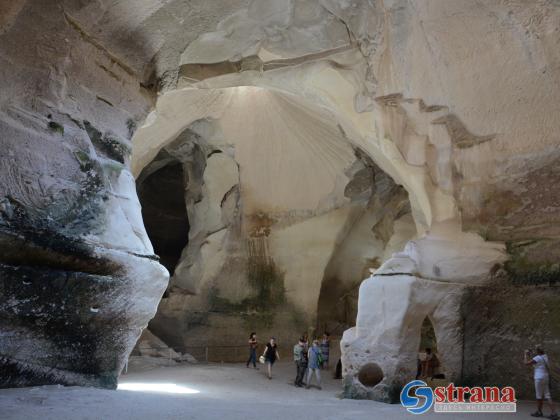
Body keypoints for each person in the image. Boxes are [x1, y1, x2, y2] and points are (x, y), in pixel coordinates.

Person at [524, 345, 558, 419]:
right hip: (546, 377)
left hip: (539, 378)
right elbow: (535, 361)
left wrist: (526, 354)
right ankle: (554, 413)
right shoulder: (545, 356)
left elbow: (526, 363)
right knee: (547, 395)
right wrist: (531, 354)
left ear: (538, 351)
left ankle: (539, 412)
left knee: (539, 396)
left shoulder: (537, 358)